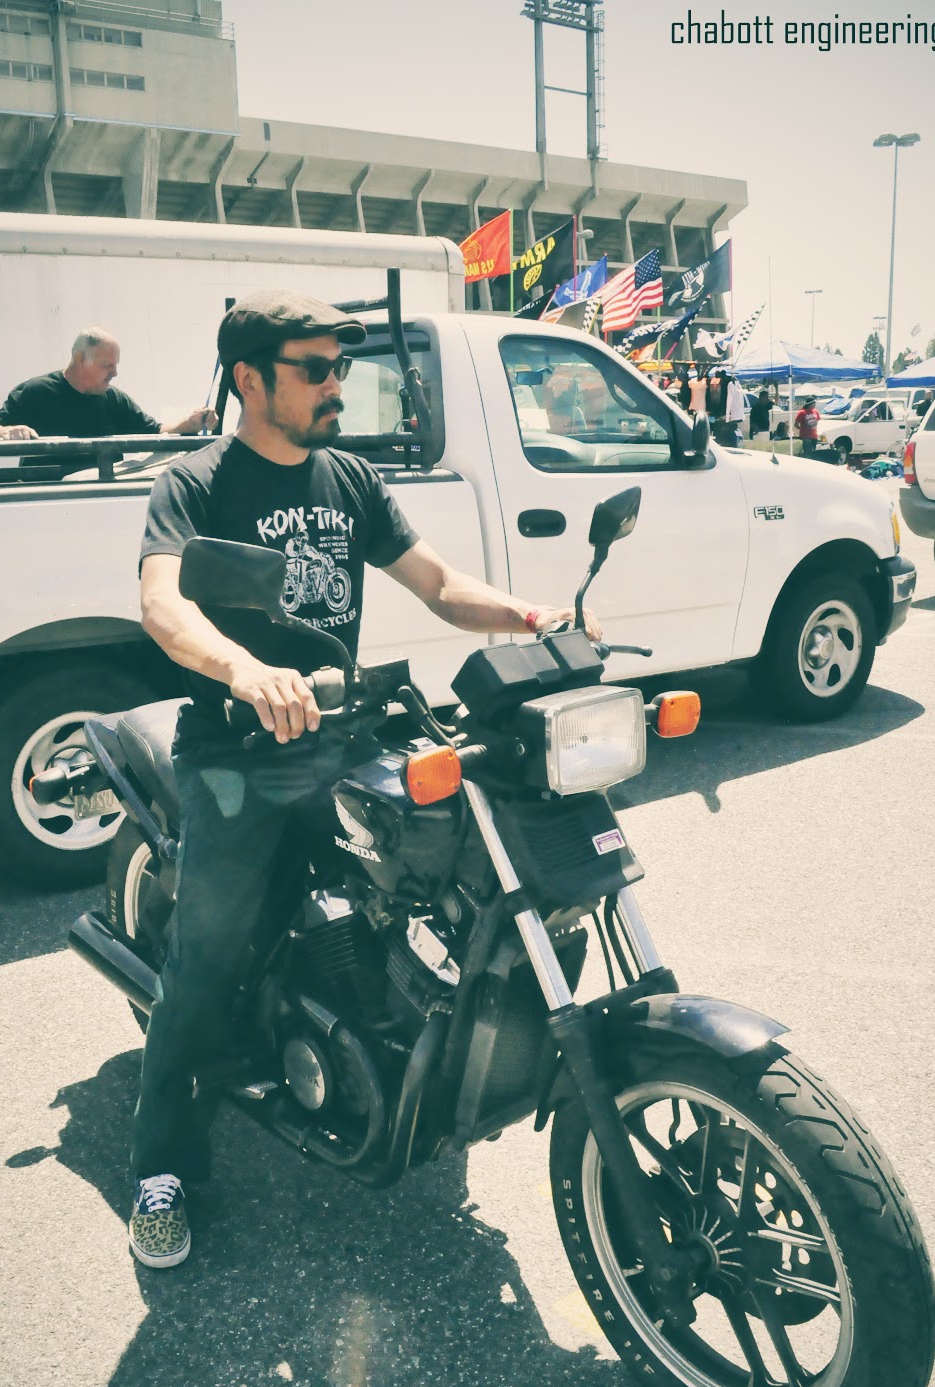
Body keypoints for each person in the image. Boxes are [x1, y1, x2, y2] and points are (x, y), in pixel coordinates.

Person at [129, 288, 602, 1269]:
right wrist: (243, 670)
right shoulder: (197, 481)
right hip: (236, 753)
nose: (336, 384)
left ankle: (409, 1051)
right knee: (203, 959)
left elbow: (440, 585)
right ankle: (161, 1168)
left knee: (454, 868)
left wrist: (530, 617)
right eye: (314, 369)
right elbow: (163, 606)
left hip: (344, 732)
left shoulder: (348, 478)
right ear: (250, 379)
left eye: (340, 367)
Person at [0, 327, 215, 446]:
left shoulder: (115, 400)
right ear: (80, 359)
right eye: (107, 366)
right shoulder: (35, 392)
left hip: (101, 503)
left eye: (116, 365)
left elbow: (156, 431)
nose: (115, 373)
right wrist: (8, 432)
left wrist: (189, 424)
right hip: (46, 501)